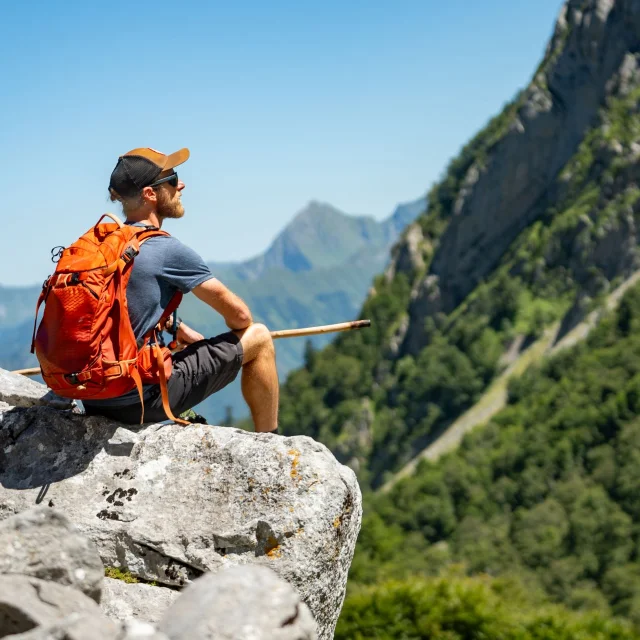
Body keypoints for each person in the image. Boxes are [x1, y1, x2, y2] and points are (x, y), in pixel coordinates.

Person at [82, 147, 279, 433]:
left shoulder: (103, 245)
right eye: (173, 179)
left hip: (93, 396)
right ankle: (270, 443)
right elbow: (240, 317)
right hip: (136, 400)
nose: (182, 185)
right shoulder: (165, 249)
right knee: (259, 337)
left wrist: (177, 329)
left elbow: (121, 306)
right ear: (150, 194)